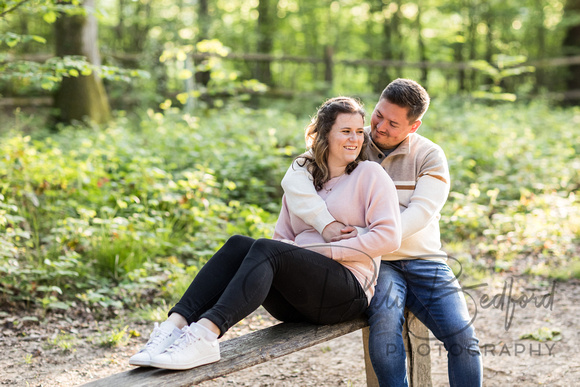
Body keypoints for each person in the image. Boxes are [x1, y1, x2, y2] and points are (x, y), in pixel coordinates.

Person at [128, 97, 402, 371]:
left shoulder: (370, 174)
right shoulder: (304, 183)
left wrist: (324, 251)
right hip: (295, 301)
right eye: (346, 131)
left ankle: (205, 334)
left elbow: (389, 237)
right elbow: (280, 237)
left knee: (267, 249)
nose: (355, 138)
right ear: (323, 135)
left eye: (358, 131)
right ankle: (173, 328)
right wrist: (298, 252)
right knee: (239, 245)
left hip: (345, 294)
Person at [281, 79, 483, 386]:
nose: (380, 127)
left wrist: (367, 232)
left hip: (424, 260)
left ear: (413, 127)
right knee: (386, 329)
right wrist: (327, 223)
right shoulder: (355, 145)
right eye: (378, 115)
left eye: (393, 123)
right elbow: (296, 175)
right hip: (376, 263)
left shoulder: (429, 156)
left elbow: (421, 213)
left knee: (463, 337)